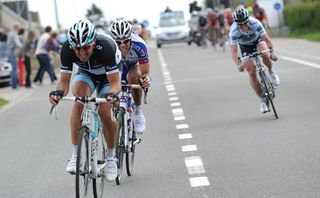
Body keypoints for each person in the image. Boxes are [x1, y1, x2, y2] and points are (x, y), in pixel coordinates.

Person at [49, 19, 122, 182]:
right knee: (78, 102)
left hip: (109, 77)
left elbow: (116, 83)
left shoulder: (106, 48)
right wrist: (58, 92)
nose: (82, 53)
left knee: (104, 111)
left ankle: (111, 158)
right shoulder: (67, 49)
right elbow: (64, 81)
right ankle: (75, 155)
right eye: (78, 48)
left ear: (94, 41)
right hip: (86, 73)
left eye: (86, 47)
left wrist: (112, 95)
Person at [229, 8, 280, 113]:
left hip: (258, 41)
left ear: (248, 20)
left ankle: (271, 71)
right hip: (245, 47)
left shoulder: (256, 23)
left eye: (245, 23)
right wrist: (238, 64)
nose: (243, 27)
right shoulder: (233, 31)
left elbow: (267, 40)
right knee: (251, 71)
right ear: (236, 24)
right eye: (240, 25)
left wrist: (272, 53)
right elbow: (234, 51)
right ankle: (262, 99)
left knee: (264, 54)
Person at [109, 19, 151, 134]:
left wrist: (145, 79)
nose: (122, 46)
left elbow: (145, 72)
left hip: (133, 66)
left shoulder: (139, 44)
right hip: (117, 68)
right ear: (113, 41)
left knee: (134, 77)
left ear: (131, 37)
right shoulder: (108, 47)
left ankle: (138, 111)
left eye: (126, 41)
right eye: (118, 42)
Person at [6, 23, 23, 89]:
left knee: (13, 69)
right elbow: (17, 43)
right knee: (15, 69)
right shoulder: (14, 34)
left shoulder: (10, 33)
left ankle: (14, 84)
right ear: (17, 28)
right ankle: (14, 85)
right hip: (12, 52)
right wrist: (23, 47)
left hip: (9, 52)